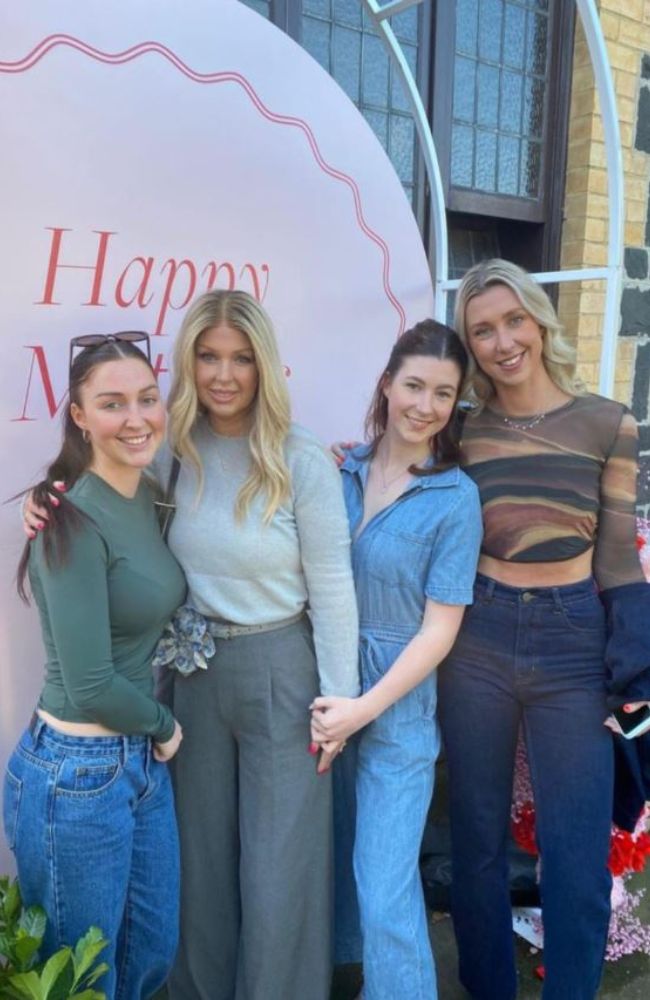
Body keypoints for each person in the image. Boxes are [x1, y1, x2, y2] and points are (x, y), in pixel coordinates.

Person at [436, 259, 650, 1000]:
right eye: (482, 330)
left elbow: (620, 559)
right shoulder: (462, 430)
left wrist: (637, 666)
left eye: (513, 320)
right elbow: (401, 476)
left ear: (539, 320)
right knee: (477, 843)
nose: (502, 342)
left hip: (573, 646)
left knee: (576, 853)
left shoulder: (606, 422)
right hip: (478, 640)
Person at [156, 289, 358, 1000]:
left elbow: (333, 584)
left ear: (264, 366)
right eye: (208, 356)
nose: (223, 374)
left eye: (241, 358)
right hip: (194, 673)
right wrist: (45, 501)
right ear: (188, 361)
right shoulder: (170, 453)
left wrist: (340, 701)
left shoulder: (300, 458)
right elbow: (108, 519)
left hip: (285, 672)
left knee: (279, 873)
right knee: (201, 866)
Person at [3, 333, 186, 1000]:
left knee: (148, 957)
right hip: (74, 776)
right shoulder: (66, 519)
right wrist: (164, 725)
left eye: (146, 399)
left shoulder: (149, 496)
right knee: (80, 984)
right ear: (79, 415)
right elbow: (88, 683)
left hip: (135, 768)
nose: (136, 419)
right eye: (112, 404)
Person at [309, 320, 483, 1000]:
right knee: (326, 875)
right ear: (386, 384)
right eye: (414, 385)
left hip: (393, 712)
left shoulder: (454, 498)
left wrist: (364, 708)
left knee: (384, 890)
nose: (425, 405)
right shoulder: (339, 470)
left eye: (444, 393)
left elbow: (439, 633)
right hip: (323, 694)